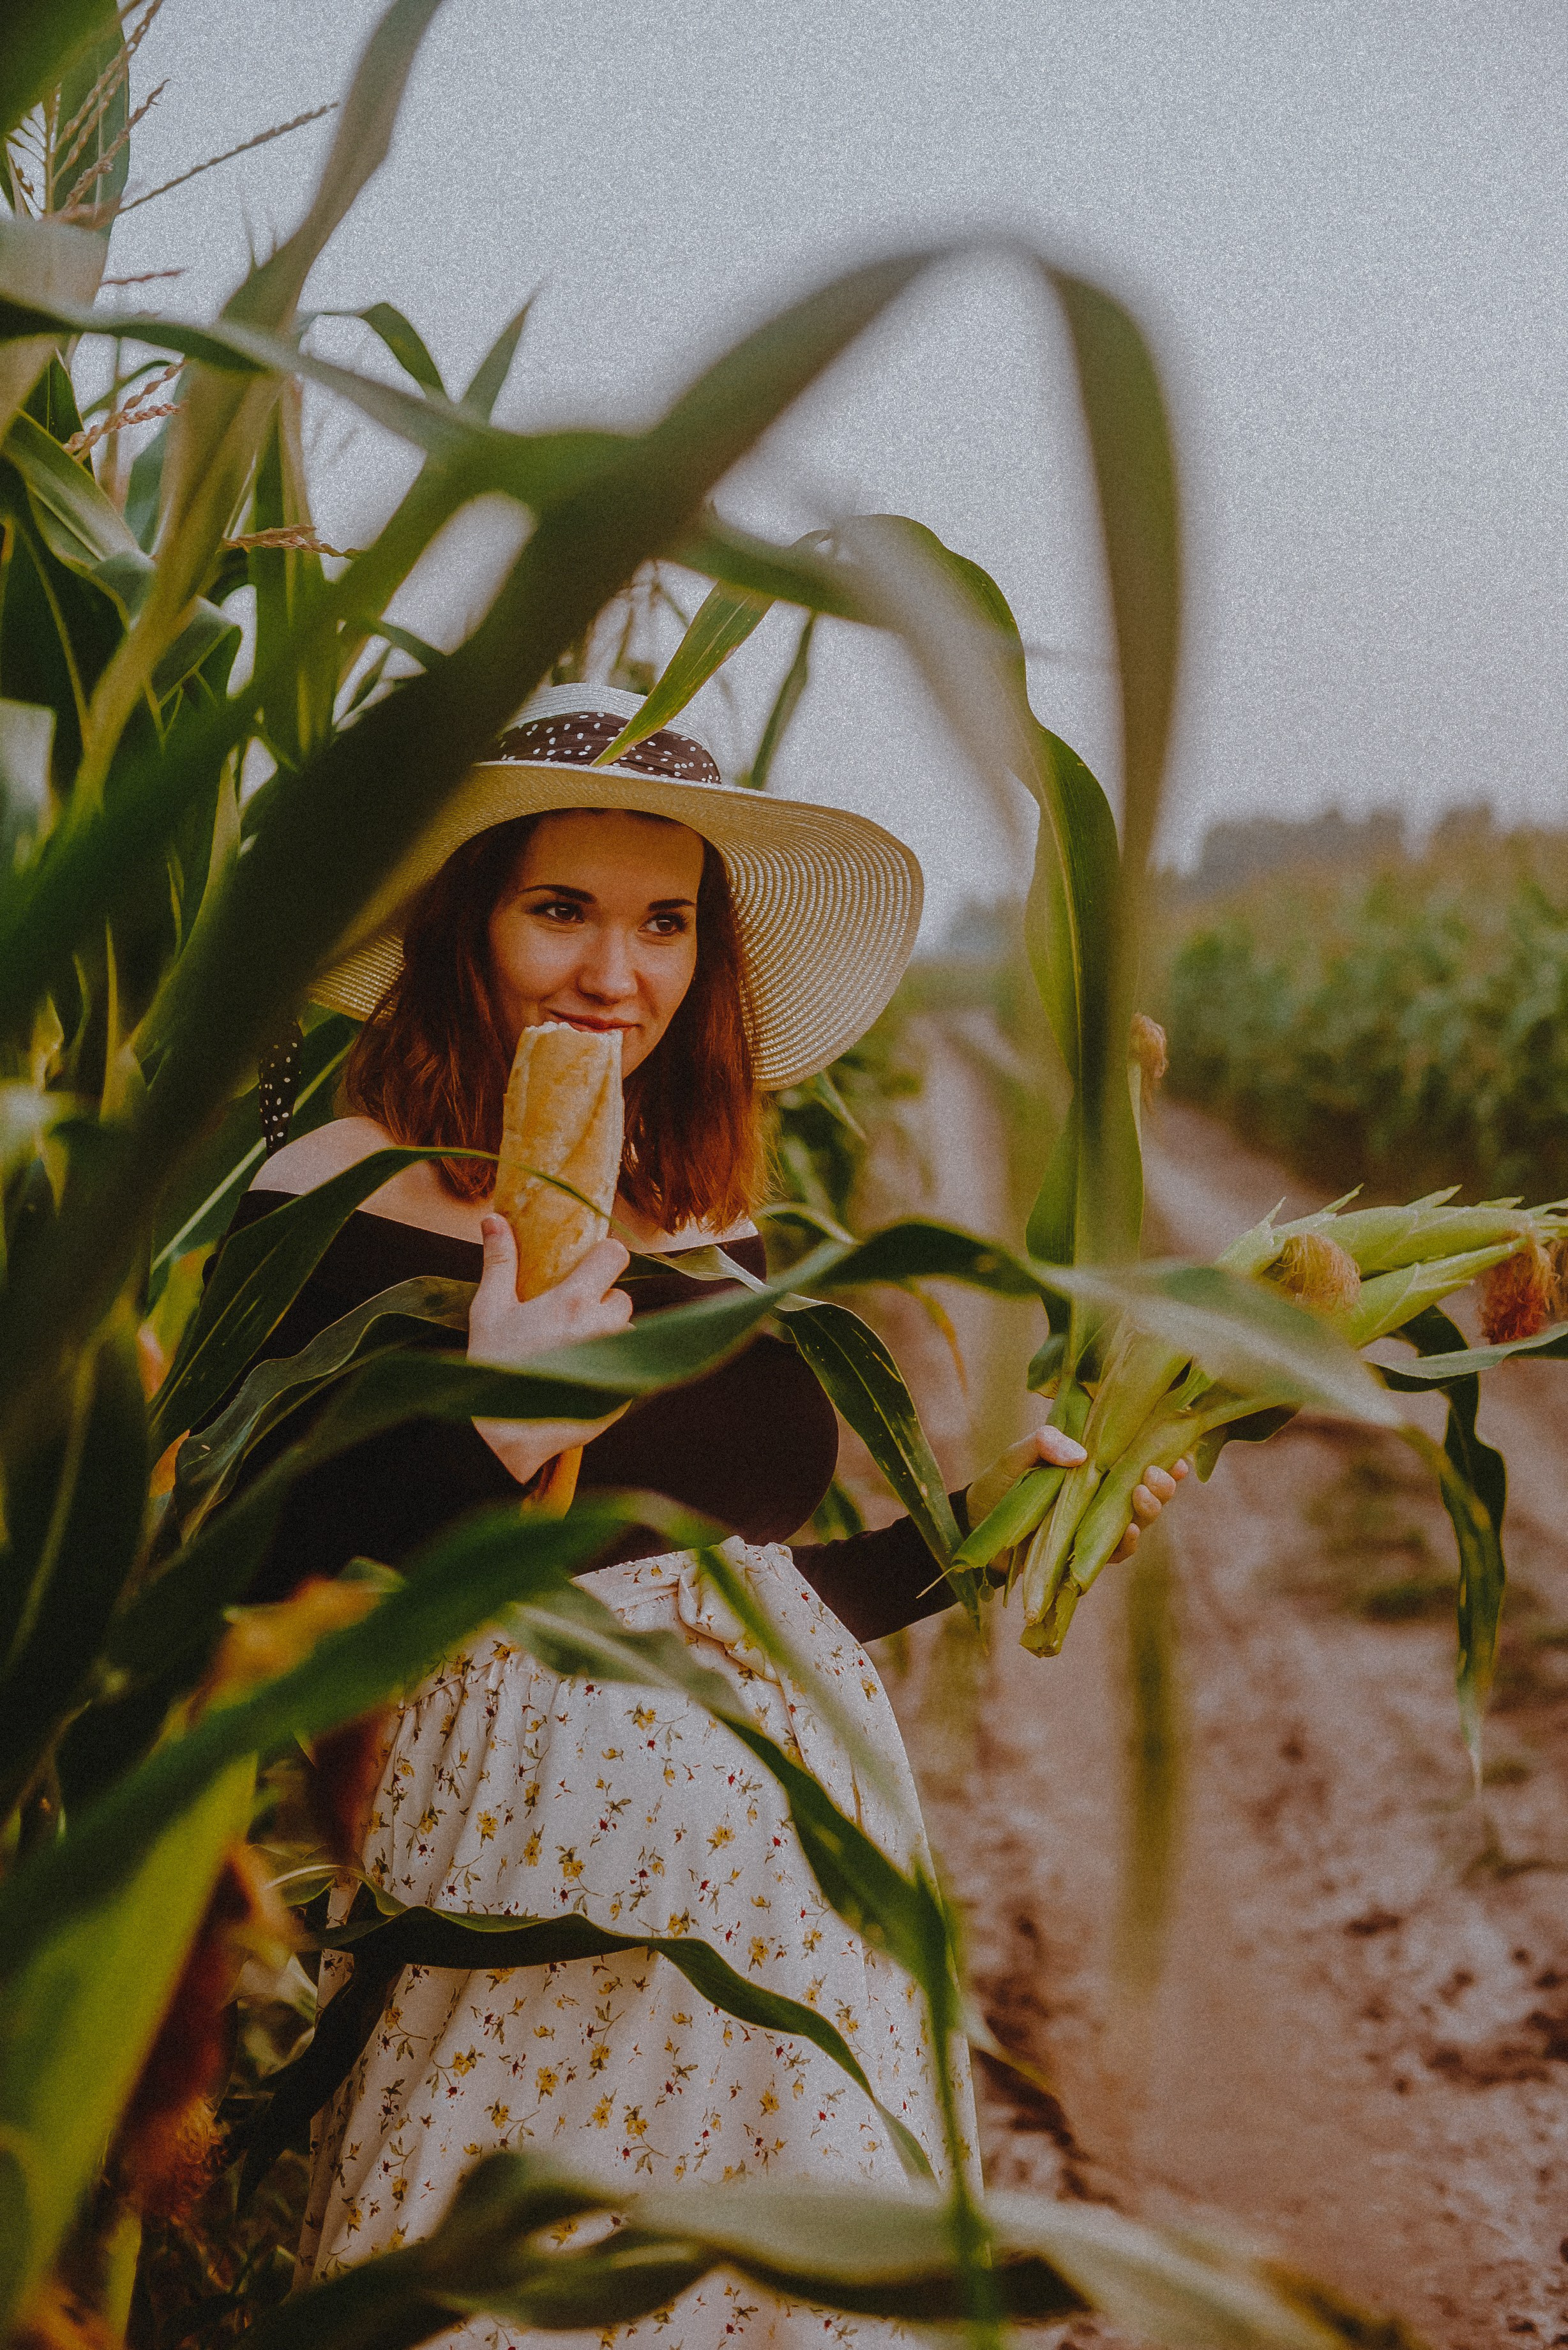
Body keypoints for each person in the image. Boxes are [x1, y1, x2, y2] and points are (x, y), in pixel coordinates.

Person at [221, 685, 1184, 2347]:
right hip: (526, 1897)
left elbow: (734, 1587)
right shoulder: (328, 1195)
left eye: (665, 923)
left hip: (803, 1920)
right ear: (465, 921)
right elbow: (252, 1561)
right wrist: (500, 1432)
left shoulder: (705, 1207)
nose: (617, 972)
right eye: (561, 911)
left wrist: (978, 1531)